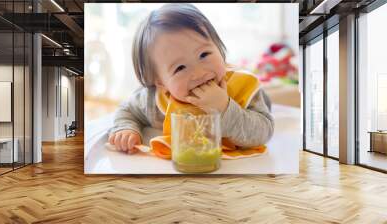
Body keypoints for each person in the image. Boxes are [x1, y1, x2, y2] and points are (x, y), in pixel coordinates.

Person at [108, 3, 274, 156]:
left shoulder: (241, 89)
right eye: (179, 68)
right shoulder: (153, 101)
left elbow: (264, 132)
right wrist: (127, 129)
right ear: (160, 82)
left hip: (248, 107)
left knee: (267, 100)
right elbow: (127, 110)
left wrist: (224, 109)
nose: (199, 73)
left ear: (218, 48)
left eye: (204, 54)